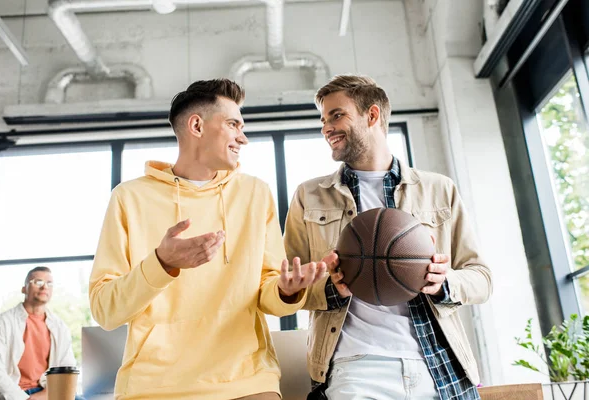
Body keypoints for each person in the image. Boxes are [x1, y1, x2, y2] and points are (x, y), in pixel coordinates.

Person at [89, 79, 326, 400]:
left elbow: (268, 293)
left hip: (247, 379)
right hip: (155, 387)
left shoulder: (255, 193)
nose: (243, 137)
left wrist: (287, 291)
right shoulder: (129, 197)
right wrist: (161, 263)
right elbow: (106, 311)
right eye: (232, 124)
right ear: (197, 125)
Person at [284, 75, 492, 400]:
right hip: (354, 367)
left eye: (336, 115)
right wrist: (328, 288)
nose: (326, 127)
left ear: (372, 115)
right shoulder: (309, 196)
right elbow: (288, 286)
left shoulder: (439, 189)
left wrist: (444, 283)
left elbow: (482, 279)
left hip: (438, 364)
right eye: (323, 119)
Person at [0, 266, 77, 400]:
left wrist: (45, 395)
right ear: (24, 288)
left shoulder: (60, 327)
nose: (44, 287)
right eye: (38, 282)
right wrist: (25, 399)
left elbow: (67, 370)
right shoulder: (1, 323)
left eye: (49, 283)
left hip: (47, 394)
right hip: (15, 394)